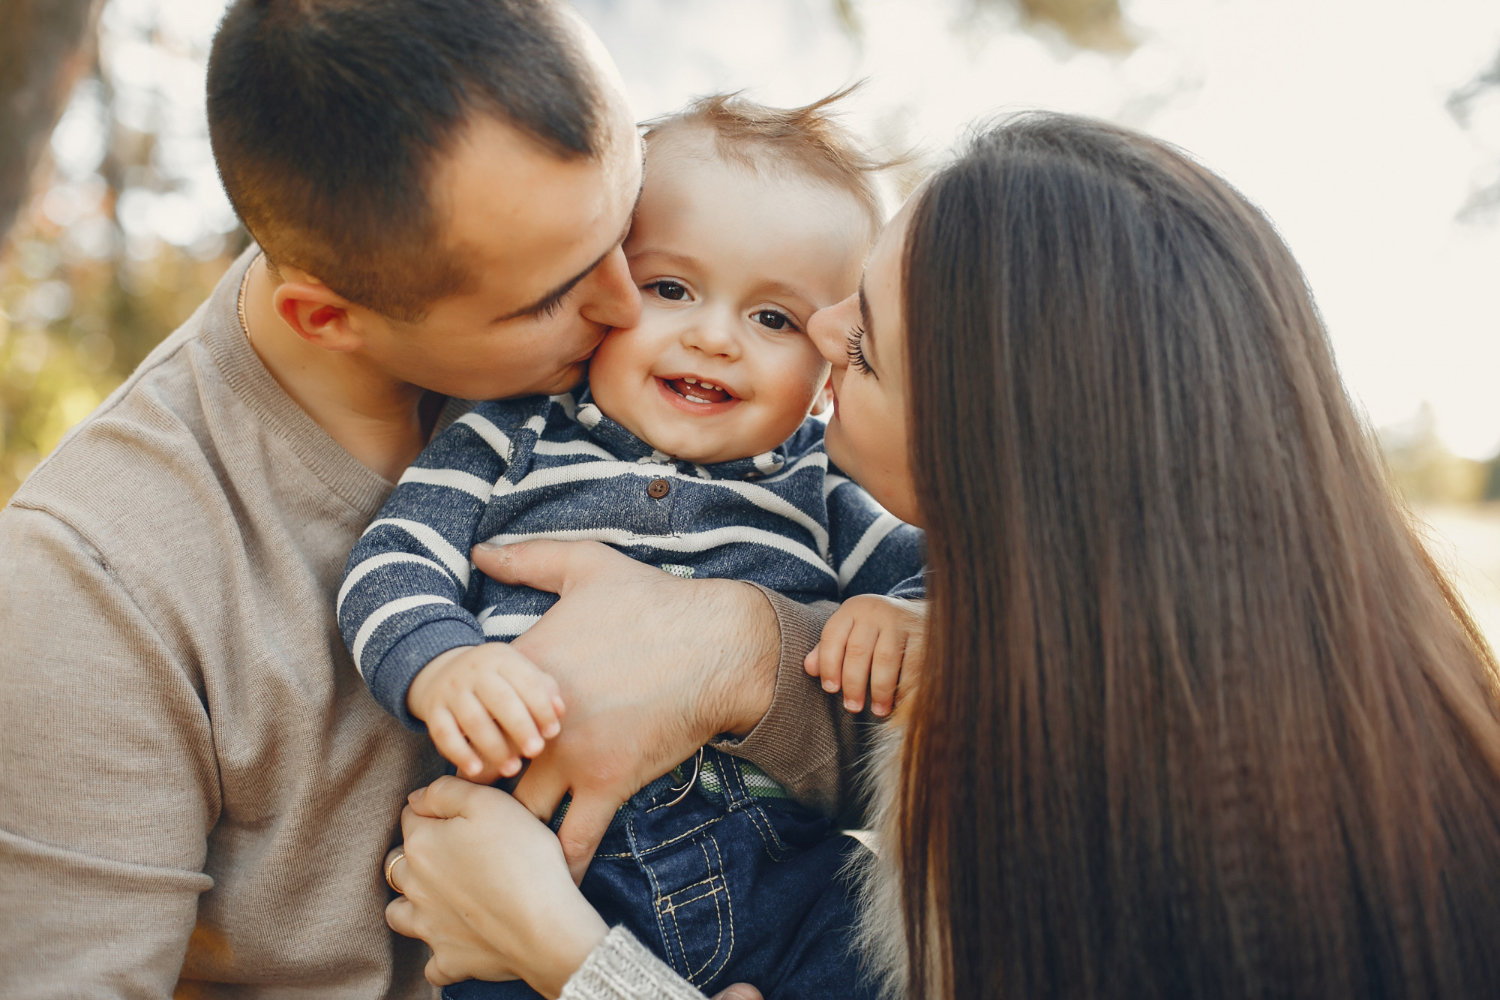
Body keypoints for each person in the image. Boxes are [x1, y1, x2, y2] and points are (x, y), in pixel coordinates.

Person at [382, 113, 1500, 1000]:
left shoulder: (1143, 844)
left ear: (992, 458)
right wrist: (757, 646)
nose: (812, 339)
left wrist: (570, 959)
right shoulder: (1173, 660)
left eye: (856, 341)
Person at [0, 2, 872, 995]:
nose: (631, 307)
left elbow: (979, 739)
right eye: (554, 291)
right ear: (328, 317)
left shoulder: (690, 388)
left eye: (623, 226)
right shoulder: (94, 582)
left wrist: (744, 652)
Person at [339, 92, 926, 1000]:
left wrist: (895, 617)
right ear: (603, 285)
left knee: (887, 960)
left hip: (780, 866)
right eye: (671, 289)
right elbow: (395, 560)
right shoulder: (513, 436)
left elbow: (947, 600)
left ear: (826, 367)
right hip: (540, 859)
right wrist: (440, 666)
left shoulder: (828, 482)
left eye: (773, 319)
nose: (713, 336)